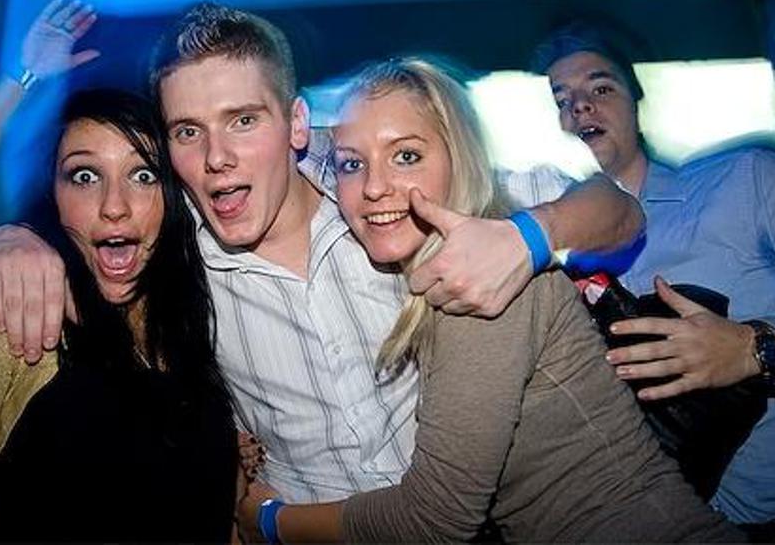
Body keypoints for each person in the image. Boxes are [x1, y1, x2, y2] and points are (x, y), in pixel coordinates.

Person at [0, 3, 645, 502]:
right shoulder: (175, 254)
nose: (216, 158)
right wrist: (10, 239)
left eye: (243, 120)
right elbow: (89, 219)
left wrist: (527, 237)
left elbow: (617, 209)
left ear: (297, 123)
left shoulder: (382, 199)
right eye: (188, 131)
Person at [234, 57, 741, 543]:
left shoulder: (484, 281)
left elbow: (431, 522)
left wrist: (269, 521)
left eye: (406, 156)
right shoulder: (421, 267)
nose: (374, 187)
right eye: (352, 164)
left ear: (459, 159)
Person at [0, 89, 237, 542]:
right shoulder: (0, 309)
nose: (114, 206)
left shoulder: (202, 313)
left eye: (143, 174)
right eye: (84, 176)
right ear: (52, 192)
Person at [532, 22, 775, 529]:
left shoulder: (747, 181)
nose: (579, 107)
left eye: (600, 88)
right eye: (562, 100)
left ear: (635, 101)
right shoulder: (555, 269)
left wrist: (754, 349)